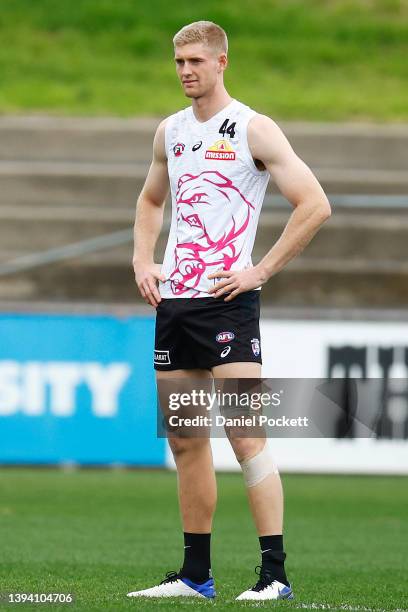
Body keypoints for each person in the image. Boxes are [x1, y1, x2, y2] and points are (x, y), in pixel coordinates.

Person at [128, 20, 331, 601]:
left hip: (228, 306)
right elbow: (149, 199)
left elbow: (315, 204)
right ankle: (196, 576)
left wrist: (260, 271)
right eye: (179, 62)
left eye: (196, 60)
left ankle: (275, 575)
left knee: (246, 437)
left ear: (222, 63)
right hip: (176, 306)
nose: (186, 70)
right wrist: (144, 261)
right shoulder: (169, 132)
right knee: (187, 441)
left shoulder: (252, 128)